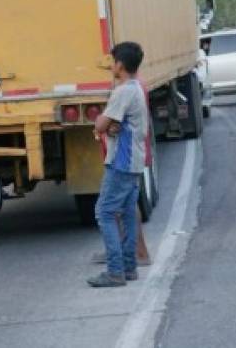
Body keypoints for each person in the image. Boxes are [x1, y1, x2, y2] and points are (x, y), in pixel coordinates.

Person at [87, 41, 148, 288]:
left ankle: (115, 270)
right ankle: (129, 266)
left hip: (120, 162)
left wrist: (103, 121)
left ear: (120, 65)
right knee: (126, 212)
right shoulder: (137, 88)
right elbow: (112, 125)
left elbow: (101, 125)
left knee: (104, 213)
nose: (111, 66)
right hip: (134, 160)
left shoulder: (123, 91)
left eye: (113, 62)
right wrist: (111, 124)